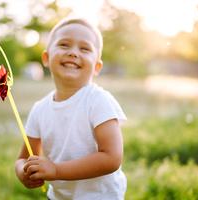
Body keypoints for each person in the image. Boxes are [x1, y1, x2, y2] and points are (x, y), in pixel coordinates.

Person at [15, 18, 127, 200]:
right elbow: (23, 158)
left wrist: (56, 170)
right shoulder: (40, 109)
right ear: (46, 58)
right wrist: (23, 172)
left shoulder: (98, 100)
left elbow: (112, 157)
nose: (73, 53)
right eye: (64, 44)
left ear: (97, 67)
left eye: (84, 48)